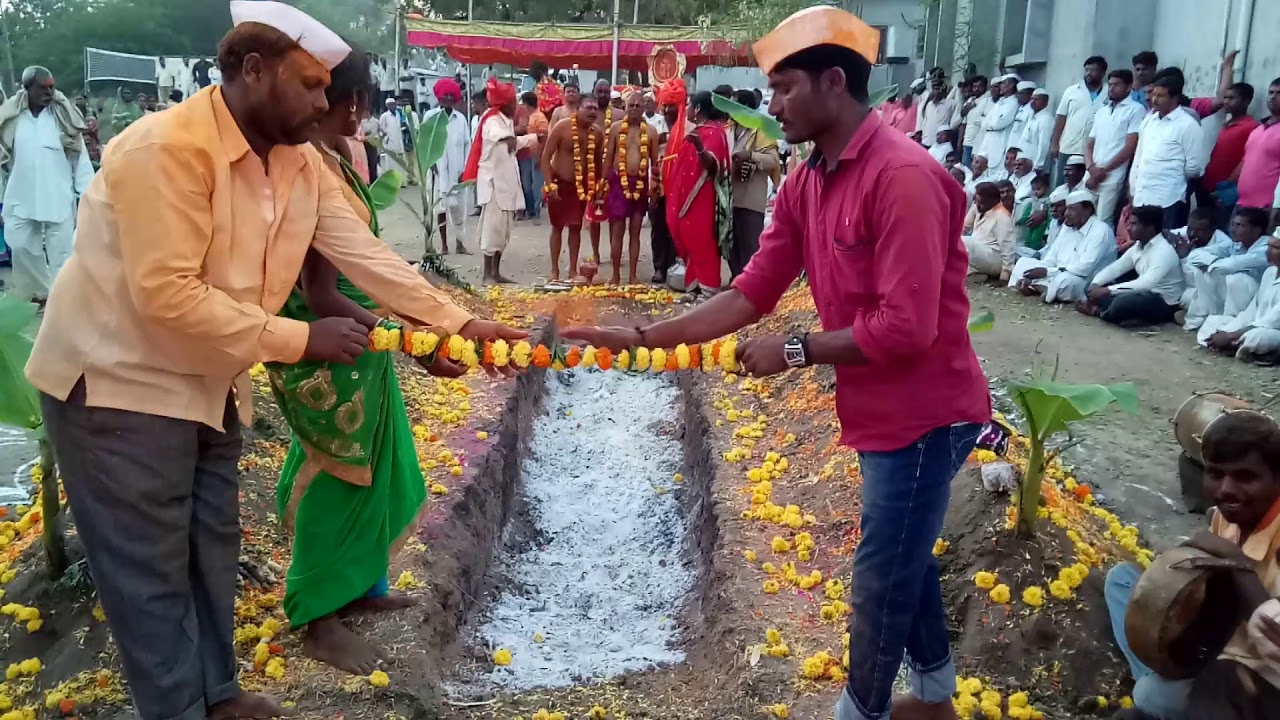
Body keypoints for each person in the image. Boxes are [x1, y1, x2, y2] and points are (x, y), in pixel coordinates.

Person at [26, 3, 524, 719]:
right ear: (252, 71)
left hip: (211, 382)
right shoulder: (164, 150)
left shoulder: (295, 162)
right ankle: (178, 708)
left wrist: (463, 323)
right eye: (312, 85)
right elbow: (168, 295)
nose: (326, 103)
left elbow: (365, 255)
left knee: (210, 547)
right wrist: (301, 339)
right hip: (118, 388)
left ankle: (219, 693)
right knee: (150, 572)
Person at [565, 11, 990, 720]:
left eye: (784, 88)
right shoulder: (807, 182)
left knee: (882, 576)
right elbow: (750, 291)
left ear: (833, 83)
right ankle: (938, 698)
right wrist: (644, 338)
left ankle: (864, 710)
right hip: (878, 409)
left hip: (927, 412)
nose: (771, 105)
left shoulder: (904, 178)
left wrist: (795, 350)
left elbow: (907, 327)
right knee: (904, 554)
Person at [276, 44, 448, 676]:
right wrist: (406, 338)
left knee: (375, 458)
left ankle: (359, 589)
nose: (356, 112)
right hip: (325, 335)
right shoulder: (305, 168)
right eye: (351, 99)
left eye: (357, 100)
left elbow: (365, 263)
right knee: (339, 469)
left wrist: (409, 331)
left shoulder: (338, 158)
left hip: (357, 333)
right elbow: (320, 291)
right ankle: (318, 616)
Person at [1105, 410, 1280, 720]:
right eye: (1215, 473)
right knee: (1121, 580)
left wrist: (1236, 561)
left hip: (1252, 677)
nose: (1226, 489)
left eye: (1245, 476)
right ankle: (1160, 678)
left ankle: (1158, 688)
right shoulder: (1223, 518)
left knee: (1150, 696)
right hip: (1211, 643)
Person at [0, 66, 94, 304]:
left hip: (57, 195)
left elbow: (80, 159)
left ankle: (64, 300)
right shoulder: (11, 120)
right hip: (21, 195)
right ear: (28, 88)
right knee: (20, 245)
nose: (49, 92)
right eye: (43, 87)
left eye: (52, 87)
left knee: (62, 254)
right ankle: (41, 293)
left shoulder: (63, 118)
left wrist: (87, 194)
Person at [464, 77, 534, 283]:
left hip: (507, 183)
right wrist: (512, 138)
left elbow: (512, 144)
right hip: (493, 185)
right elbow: (499, 136)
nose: (517, 106)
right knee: (491, 229)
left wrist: (532, 138)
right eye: (514, 102)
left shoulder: (505, 120)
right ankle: (487, 274)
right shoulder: (492, 120)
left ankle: (496, 272)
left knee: (503, 231)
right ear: (506, 104)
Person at [666, 90, 731, 297]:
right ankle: (693, 287)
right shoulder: (700, 131)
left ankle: (708, 289)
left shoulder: (714, 132)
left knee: (702, 240)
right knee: (688, 238)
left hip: (702, 198)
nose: (687, 110)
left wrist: (700, 148)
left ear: (699, 108)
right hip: (687, 198)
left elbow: (713, 165)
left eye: (689, 105)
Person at [1078, 205, 1185, 327]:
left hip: (1163, 301)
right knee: (1090, 286)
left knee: (1121, 303)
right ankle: (1122, 315)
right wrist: (1095, 284)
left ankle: (1098, 312)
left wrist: (1106, 291)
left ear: (1149, 227)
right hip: (1140, 294)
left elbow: (1146, 284)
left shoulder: (1164, 251)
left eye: (1134, 224)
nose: (1128, 228)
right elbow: (1116, 268)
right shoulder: (1138, 247)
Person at [1011, 189, 1115, 303]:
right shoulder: (1067, 227)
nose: (1066, 214)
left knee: (1065, 282)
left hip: (1084, 280)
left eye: (1072, 209)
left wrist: (1047, 272)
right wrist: (1040, 270)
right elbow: (1051, 257)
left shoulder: (1101, 231)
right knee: (1023, 263)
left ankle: (1035, 287)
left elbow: (1084, 269)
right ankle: (1034, 286)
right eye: (1067, 208)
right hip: (1055, 273)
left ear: (1087, 210)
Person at [541, 94, 604, 282]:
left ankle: (573, 271)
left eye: (595, 108)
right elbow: (545, 158)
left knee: (576, 227)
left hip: (582, 187)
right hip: (559, 184)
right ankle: (554, 271)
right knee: (557, 227)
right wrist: (549, 184)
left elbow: (598, 163)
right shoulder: (562, 127)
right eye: (588, 107)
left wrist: (598, 188)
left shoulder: (598, 133)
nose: (593, 111)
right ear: (578, 109)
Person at [602, 90, 659, 285]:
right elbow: (608, 159)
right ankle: (616, 275)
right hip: (619, 183)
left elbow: (655, 162)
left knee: (635, 231)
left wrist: (655, 183)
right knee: (617, 231)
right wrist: (602, 184)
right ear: (625, 107)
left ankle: (633, 275)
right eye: (631, 105)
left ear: (644, 108)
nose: (634, 109)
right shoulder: (617, 129)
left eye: (638, 105)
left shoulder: (651, 131)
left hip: (641, 183)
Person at [1184, 207, 1273, 331]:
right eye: (1232, 224)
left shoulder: (1267, 247)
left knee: (1237, 279)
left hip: (1260, 301)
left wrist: (1212, 265)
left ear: (1257, 229)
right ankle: (1208, 317)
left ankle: (1233, 325)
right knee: (1204, 272)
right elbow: (1194, 256)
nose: (1233, 229)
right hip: (1236, 298)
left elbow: (1232, 264)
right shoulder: (1236, 245)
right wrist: (1213, 263)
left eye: (1239, 225)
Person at [1197, 232, 1280, 364]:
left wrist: (1231, 335)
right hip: (1254, 325)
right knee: (1213, 323)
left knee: (1258, 337)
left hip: (1272, 330)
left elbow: (1272, 321)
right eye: (1268, 246)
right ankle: (1235, 346)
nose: (1268, 251)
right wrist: (1227, 332)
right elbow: (1252, 310)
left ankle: (1238, 346)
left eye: (1275, 248)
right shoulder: (1270, 273)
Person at [728, 88, 780, 279]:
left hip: (751, 199)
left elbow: (773, 160)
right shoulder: (729, 128)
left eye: (734, 105)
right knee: (732, 245)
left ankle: (750, 286)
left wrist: (750, 156)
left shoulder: (762, 129)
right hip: (730, 198)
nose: (730, 110)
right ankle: (736, 283)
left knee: (750, 244)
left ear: (746, 107)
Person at [1085, 69, 1144, 225]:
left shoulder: (1136, 110)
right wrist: (1091, 168)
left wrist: (1103, 171)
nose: (1111, 88)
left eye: (1116, 85)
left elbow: (1129, 147)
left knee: (1102, 221)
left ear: (1128, 87)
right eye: (1110, 84)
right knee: (1082, 217)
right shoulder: (1101, 112)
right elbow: (1090, 143)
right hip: (1092, 173)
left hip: (1112, 176)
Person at [424, 78, 472, 254]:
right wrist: (430, 163)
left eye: (452, 96)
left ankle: (460, 243)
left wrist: (466, 169)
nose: (448, 99)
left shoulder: (460, 120)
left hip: (458, 171)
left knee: (459, 209)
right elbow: (425, 143)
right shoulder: (430, 117)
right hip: (438, 172)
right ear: (439, 98)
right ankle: (444, 245)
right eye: (445, 96)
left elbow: (468, 144)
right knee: (440, 208)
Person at [650, 79, 687, 285]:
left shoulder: (688, 128)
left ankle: (675, 267)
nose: (665, 110)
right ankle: (659, 268)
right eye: (664, 105)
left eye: (670, 105)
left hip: (679, 189)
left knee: (676, 229)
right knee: (658, 228)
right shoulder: (654, 126)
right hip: (659, 186)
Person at [1051, 56, 1107, 184]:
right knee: (1062, 185)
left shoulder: (1108, 93)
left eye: (1093, 70)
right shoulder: (1071, 91)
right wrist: (1055, 144)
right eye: (1087, 70)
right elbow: (1061, 117)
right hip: (1068, 147)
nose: (1089, 73)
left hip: (1093, 151)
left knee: (1084, 187)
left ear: (1102, 73)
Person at [1234, 78, 1280, 212]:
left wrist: (1277, 207)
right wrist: (1227, 186)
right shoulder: (1258, 129)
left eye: (1279, 93)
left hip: (1267, 208)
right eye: (1270, 92)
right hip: (1241, 204)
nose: (1273, 97)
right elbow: (1245, 161)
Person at [963, 181, 1015, 281]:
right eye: (976, 202)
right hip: (980, 255)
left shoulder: (1002, 216)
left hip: (995, 259)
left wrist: (1005, 276)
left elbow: (1008, 248)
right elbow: (964, 227)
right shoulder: (978, 207)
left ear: (994, 200)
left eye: (981, 203)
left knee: (963, 242)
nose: (978, 206)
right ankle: (975, 274)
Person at [515, 91, 548, 222]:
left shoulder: (539, 118)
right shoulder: (532, 116)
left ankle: (535, 209)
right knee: (527, 183)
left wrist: (540, 157)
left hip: (536, 154)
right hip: (529, 154)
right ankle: (531, 209)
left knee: (535, 184)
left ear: (526, 104)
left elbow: (544, 139)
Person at [979, 74, 1019, 164]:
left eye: (1003, 83)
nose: (1000, 86)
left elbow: (999, 123)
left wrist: (989, 124)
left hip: (999, 141)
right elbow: (984, 122)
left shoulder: (1013, 102)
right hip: (988, 139)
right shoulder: (1000, 102)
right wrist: (989, 124)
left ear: (1011, 85)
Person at [1013, 173, 1051, 254]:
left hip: (1041, 225)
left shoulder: (1048, 201)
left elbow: (1049, 215)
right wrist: (1021, 220)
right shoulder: (1032, 201)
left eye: (1038, 189)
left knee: (1035, 239)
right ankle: (1026, 253)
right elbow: (1027, 211)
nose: (1036, 192)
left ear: (1046, 188)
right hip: (1030, 223)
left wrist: (1048, 227)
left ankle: (1035, 253)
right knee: (1027, 238)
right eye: (1033, 189)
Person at [959, 75, 991, 167]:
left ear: (985, 87)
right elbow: (963, 122)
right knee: (965, 170)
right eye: (974, 86)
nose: (976, 89)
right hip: (967, 143)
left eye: (979, 86)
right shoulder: (970, 100)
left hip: (980, 145)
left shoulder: (988, 100)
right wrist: (960, 142)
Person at [1020, 89, 1053, 172]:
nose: (1033, 102)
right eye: (1032, 99)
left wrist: (1038, 165)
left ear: (1045, 102)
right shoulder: (1032, 117)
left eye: (1037, 99)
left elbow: (1044, 144)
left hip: (1035, 166)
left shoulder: (1046, 119)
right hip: (1025, 163)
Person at [917, 79, 954, 149]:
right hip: (926, 141)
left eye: (938, 89)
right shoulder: (929, 105)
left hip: (940, 144)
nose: (936, 92)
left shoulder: (949, 104)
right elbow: (925, 120)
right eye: (934, 89)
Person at [1009, 81, 1036, 155]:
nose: (1018, 96)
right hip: (1012, 148)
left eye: (1021, 93)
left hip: (1022, 151)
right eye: (1017, 93)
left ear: (1030, 95)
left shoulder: (1031, 111)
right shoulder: (1020, 108)